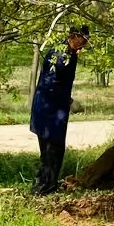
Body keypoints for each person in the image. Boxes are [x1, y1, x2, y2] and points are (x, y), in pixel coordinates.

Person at [30, 24, 90, 195]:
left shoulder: (70, 53)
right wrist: (69, 101)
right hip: (49, 112)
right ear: (74, 36)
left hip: (56, 111)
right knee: (51, 151)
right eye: (82, 41)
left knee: (54, 151)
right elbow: (50, 85)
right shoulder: (60, 55)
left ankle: (46, 186)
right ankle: (44, 188)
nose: (83, 45)